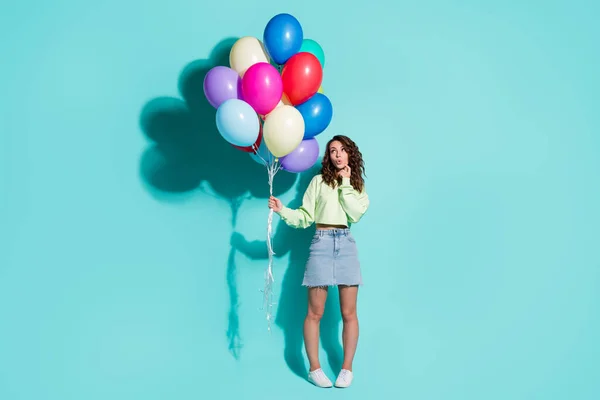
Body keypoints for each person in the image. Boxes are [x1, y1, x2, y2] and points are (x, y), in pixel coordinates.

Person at [268, 134, 370, 388]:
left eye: (342, 150)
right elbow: (305, 217)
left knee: (349, 313)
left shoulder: (356, 185)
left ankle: (347, 369)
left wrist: (346, 183)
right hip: (321, 242)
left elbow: (355, 215)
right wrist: (282, 210)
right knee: (315, 312)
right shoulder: (317, 182)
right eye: (332, 150)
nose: (337, 154)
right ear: (328, 156)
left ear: (350, 155)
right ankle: (314, 368)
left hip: (345, 244)